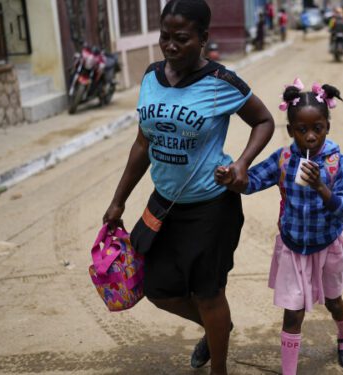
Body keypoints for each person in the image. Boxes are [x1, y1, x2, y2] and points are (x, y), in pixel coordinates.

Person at [101, 1, 275, 374]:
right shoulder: (150, 77)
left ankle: (220, 367)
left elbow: (263, 120)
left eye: (181, 38)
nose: (171, 46)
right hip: (162, 205)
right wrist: (118, 200)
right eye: (165, 37)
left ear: (203, 38)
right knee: (156, 287)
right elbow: (142, 144)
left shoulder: (221, 83)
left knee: (208, 293)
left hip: (211, 209)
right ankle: (218, 329)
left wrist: (241, 164)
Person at [214, 78, 343, 374]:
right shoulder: (284, 159)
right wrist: (232, 179)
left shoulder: (335, 163)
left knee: (334, 302)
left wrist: (321, 186)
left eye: (317, 128)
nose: (310, 137)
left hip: (327, 245)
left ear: (327, 127)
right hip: (294, 249)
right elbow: (252, 181)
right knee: (292, 316)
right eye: (301, 130)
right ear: (291, 131)